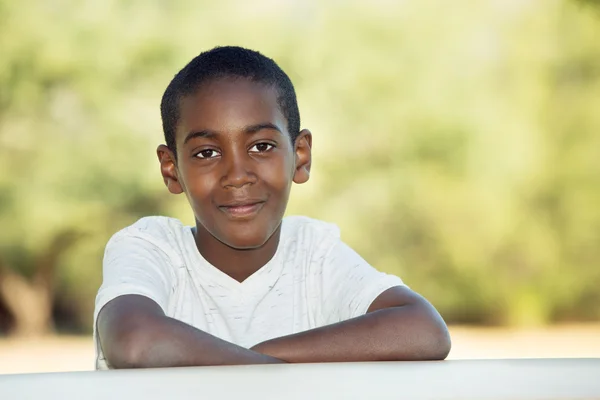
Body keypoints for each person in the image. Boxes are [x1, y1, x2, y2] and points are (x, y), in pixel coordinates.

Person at [94, 46, 451, 369]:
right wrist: (268, 371)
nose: (237, 176)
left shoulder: (313, 253)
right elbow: (135, 342)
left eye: (261, 147)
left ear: (300, 156)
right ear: (172, 170)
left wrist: (262, 355)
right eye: (207, 153)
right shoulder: (151, 247)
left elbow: (424, 330)